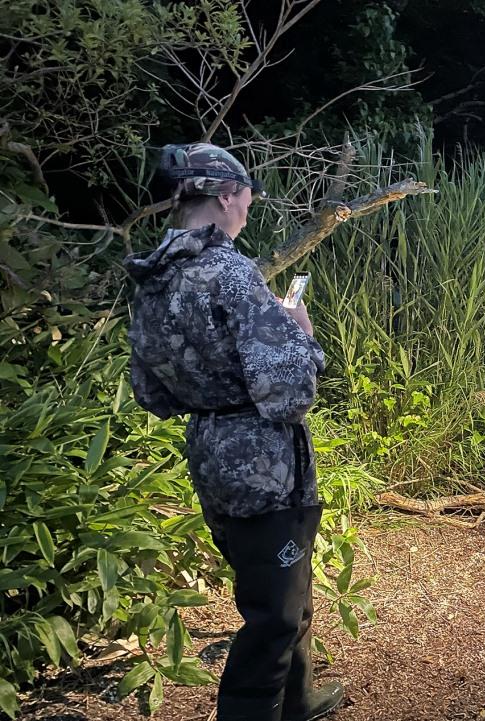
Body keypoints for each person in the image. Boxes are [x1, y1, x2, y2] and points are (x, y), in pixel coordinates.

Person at [125, 143, 342, 721]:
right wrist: (298, 331)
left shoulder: (153, 276)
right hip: (262, 464)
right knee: (273, 617)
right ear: (226, 196)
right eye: (246, 195)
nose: (248, 205)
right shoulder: (230, 272)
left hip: (211, 455)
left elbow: (151, 393)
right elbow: (289, 393)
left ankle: (298, 701)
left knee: (282, 591)